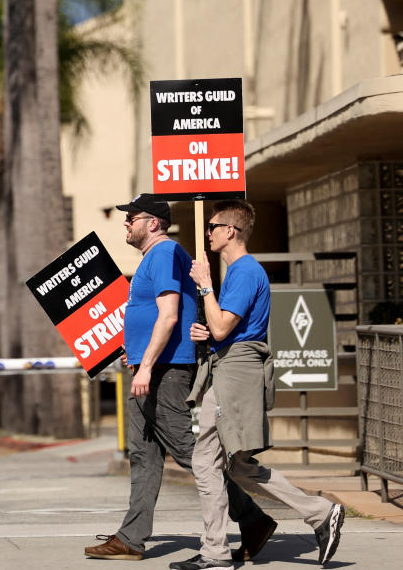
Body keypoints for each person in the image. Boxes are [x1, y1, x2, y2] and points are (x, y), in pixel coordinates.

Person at [86, 194, 274, 562]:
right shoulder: (156, 258)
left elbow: (169, 315)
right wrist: (138, 352)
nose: (126, 223)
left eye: (132, 218)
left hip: (164, 371)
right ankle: (131, 537)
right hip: (151, 366)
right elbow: (157, 315)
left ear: (152, 223)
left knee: (192, 452)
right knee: (143, 454)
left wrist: (146, 366)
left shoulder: (164, 254)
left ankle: (253, 519)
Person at [173, 200, 345, 570]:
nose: (208, 232)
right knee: (236, 466)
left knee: (206, 461)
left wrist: (205, 287)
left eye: (213, 227)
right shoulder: (240, 272)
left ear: (230, 231)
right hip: (230, 365)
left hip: (236, 372)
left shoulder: (246, 272)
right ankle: (321, 512)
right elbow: (221, 330)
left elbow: (223, 327)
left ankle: (215, 552)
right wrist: (206, 334)